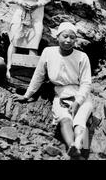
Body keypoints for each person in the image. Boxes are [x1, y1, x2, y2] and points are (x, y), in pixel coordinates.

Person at [14, 22, 93, 158]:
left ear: (76, 40)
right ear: (58, 36)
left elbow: (86, 84)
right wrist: (27, 95)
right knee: (65, 119)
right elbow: (38, 76)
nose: (68, 40)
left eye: (72, 37)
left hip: (81, 94)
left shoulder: (82, 57)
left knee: (81, 121)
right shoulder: (48, 52)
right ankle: (73, 147)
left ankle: (80, 147)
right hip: (61, 94)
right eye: (65, 36)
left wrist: (78, 102)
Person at [6, 0, 53, 79]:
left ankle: (30, 75)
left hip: (37, 10)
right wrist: (20, 2)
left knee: (33, 42)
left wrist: (37, 4)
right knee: (15, 39)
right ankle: (9, 69)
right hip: (21, 9)